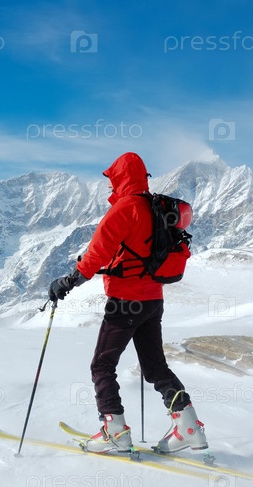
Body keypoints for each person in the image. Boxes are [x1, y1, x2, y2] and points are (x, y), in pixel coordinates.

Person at [48, 152, 208, 454]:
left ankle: (115, 432)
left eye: (112, 180)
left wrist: (67, 283)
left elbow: (96, 254)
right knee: (156, 367)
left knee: (102, 365)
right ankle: (189, 427)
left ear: (121, 178)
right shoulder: (155, 207)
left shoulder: (125, 209)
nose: (110, 187)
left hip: (125, 301)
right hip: (153, 300)